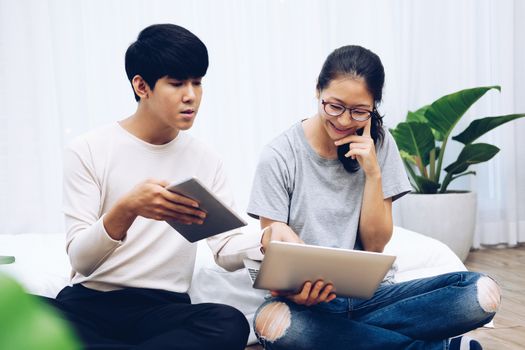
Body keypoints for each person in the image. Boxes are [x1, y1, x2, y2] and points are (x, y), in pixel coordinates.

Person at [247, 45, 501, 350]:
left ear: (373, 107)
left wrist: (373, 173)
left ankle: (346, 339)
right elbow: (274, 254)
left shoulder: (380, 143)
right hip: (307, 305)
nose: (343, 121)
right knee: (273, 323)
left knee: (480, 294)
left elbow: (375, 244)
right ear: (318, 91)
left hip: (374, 297)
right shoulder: (278, 155)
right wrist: (296, 294)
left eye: (358, 111)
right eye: (335, 106)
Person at [44, 23, 264, 350]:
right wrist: (127, 208)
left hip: (162, 310)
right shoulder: (89, 149)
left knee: (228, 323)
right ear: (141, 86)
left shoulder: (205, 159)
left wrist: (266, 240)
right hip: (89, 305)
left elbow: (224, 249)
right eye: (176, 84)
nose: (191, 96)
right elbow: (81, 261)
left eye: (198, 83)